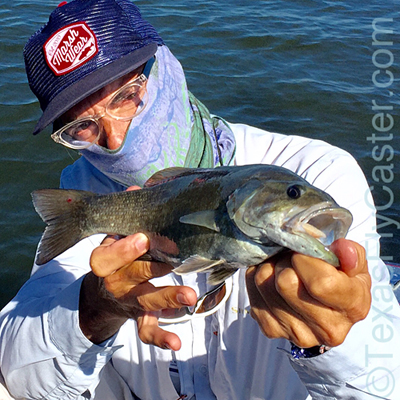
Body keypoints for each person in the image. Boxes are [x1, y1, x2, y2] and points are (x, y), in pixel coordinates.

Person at [1, 0, 399, 399]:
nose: (115, 138)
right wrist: (95, 308)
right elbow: (18, 372)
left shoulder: (317, 168)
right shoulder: (86, 204)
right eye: (82, 126)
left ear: (168, 70)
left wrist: (332, 340)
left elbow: (386, 381)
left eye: (127, 95)